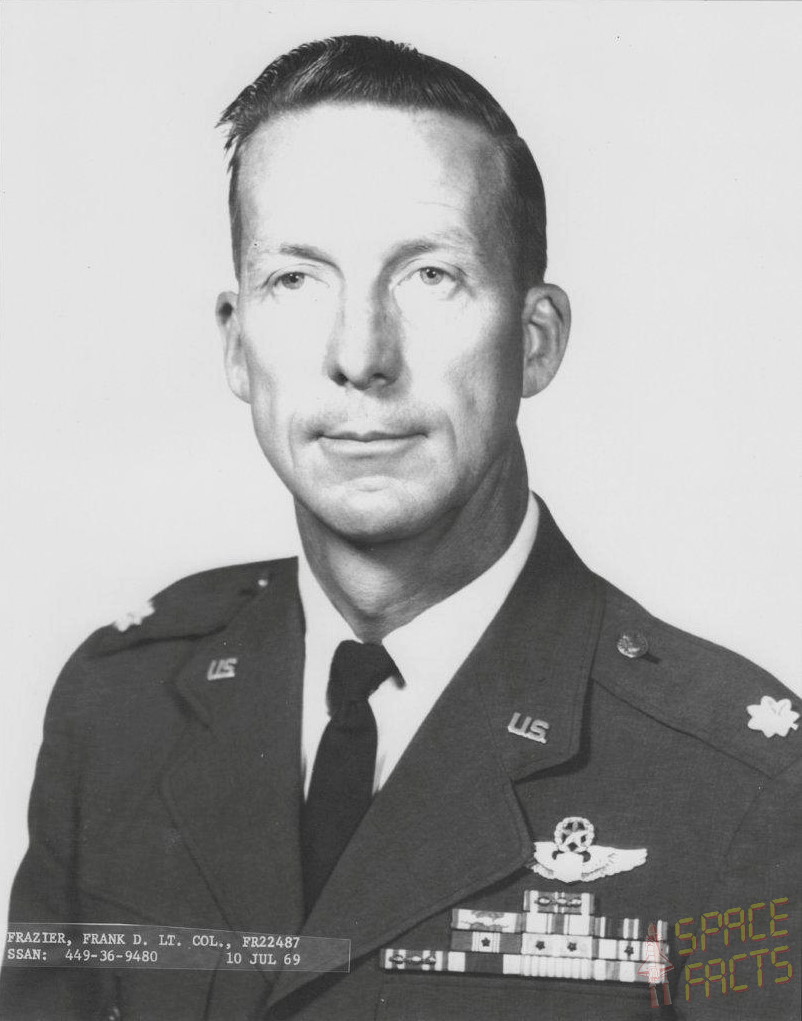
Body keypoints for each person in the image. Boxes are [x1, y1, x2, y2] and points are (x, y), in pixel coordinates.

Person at [1, 34, 800, 1021]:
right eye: (296, 278)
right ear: (237, 343)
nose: (360, 354)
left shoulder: (740, 786)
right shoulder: (121, 708)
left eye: (430, 274)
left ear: (536, 340)